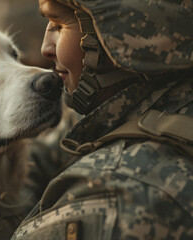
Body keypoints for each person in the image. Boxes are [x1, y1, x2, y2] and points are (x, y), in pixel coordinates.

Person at [12, 0, 193, 239]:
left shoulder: (116, 196)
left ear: (125, 38)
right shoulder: (148, 101)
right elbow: (46, 153)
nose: (46, 48)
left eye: (57, 25)